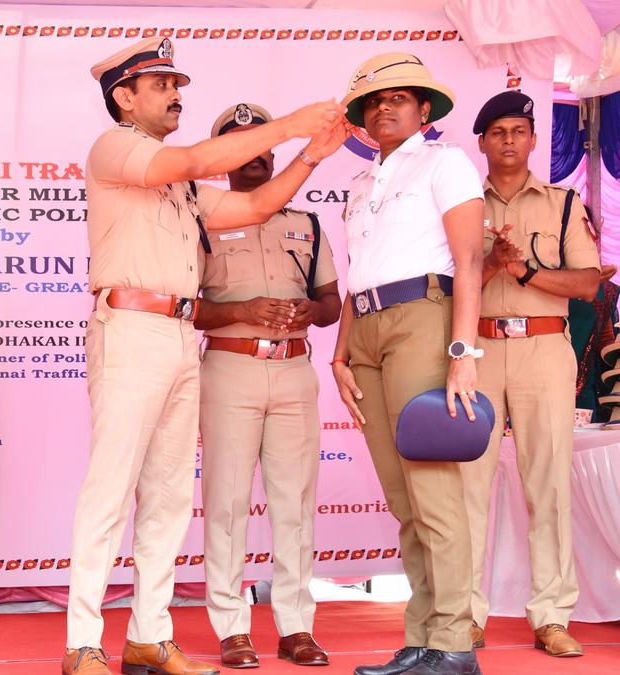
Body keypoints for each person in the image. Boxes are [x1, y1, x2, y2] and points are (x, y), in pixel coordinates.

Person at [63, 36, 347, 675]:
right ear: (124, 96)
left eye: (177, 84)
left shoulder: (184, 186)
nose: (176, 94)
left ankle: (148, 635)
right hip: (131, 328)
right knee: (110, 489)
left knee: (166, 496)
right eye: (162, 84)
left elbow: (253, 204)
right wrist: (289, 123)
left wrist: (309, 154)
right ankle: (82, 641)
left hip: (180, 337)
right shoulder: (115, 148)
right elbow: (192, 159)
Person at [329, 53, 485, 675]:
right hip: (363, 331)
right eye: (372, 100)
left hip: (424, 317)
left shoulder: (446, 162)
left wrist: (462, 353)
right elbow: (357, 273)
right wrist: (340, 349)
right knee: (403, 498)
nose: (384, 107)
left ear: (425, 110)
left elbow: (470, 260)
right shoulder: (362, 183)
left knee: (434, 490)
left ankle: (453, 643)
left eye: (399, 97)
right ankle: (422, 640)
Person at [194, 103, 342, 669]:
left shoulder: (305, 223)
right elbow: (190, 308)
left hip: (293, 369)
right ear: (223, 158)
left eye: (262, 142)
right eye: (241, 143)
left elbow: (332, 302)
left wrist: (311, 309)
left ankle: (296, 625)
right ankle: (231, 627)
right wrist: (245, 307)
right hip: (229, 368)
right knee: (227, 502)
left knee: (295, 503)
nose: (255, 153)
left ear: (275, 151)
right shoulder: (201, 221)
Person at [462, 89, 600, 658]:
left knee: (548, 483)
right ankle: (464, 617)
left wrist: (522, 270)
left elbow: (588, 284)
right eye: (498, 132)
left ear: (535, 139)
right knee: (467, 487)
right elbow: (444, 281)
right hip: (478, 349)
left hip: (544, 349)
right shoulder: (462, 202)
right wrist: (486, 263)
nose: (509, 141)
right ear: (482, 142)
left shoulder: (564, 204)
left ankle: (551, 616)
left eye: (519, 131)